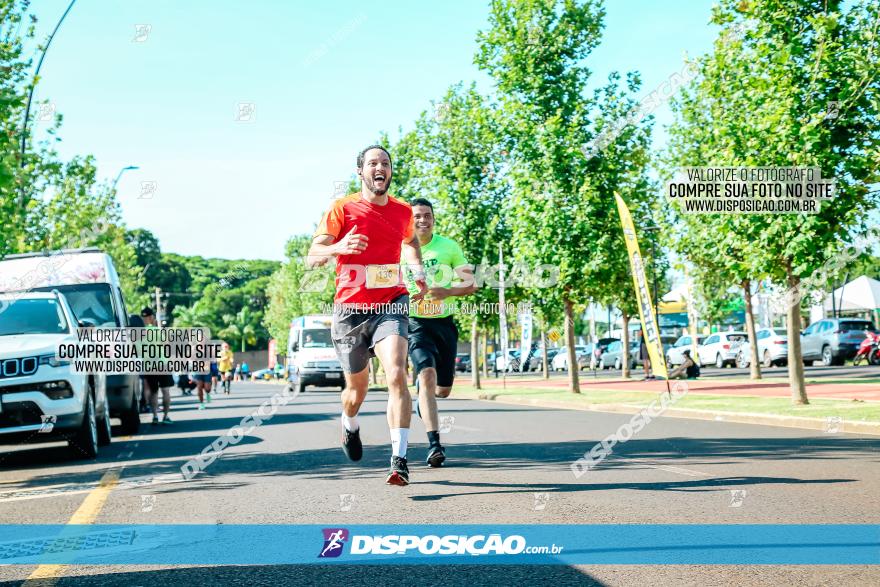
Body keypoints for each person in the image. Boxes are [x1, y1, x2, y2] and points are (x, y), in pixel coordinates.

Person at [307, 144, 427, 486]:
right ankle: (349, 422)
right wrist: (337, 248)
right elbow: (312, 255)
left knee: (396, 375)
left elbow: (412, 243)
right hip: (350, 309)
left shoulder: (404, 212)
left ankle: (399, 459)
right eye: (373, 163)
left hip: (391, 302)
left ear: (390, 172)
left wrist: (417, 270)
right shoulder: (341, 208)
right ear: (360, 172)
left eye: (385, 163)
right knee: (356, 390)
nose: (380, 168)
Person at [404, 198, 476, 467]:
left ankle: (424, 394)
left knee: (442, 390)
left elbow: (470, 284)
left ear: (433, 219)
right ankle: (435, 444)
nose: (422, 220)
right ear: (408, 221)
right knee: (427, 373)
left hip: (444, 324)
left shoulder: (449, 247)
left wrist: (447, 291)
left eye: (427, 215)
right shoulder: (399, 249)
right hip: (415, 324)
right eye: (416, 216)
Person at [140, 307, 174, 425]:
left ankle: (154, 416)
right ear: (152, 317)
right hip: (162, 363)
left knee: (153, 392)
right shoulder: (157, 331)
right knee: (165, 390)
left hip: (149, 365)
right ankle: (165, 416)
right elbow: (167, 345)